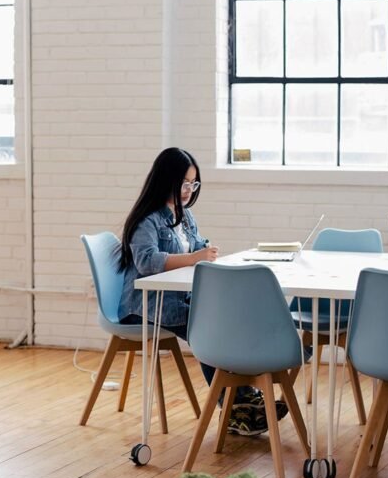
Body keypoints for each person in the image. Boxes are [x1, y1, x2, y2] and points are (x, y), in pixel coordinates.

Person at [117, 147, 286, 436]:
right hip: (145, 306)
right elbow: (146, 261)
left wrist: (204, 251)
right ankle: (235, 407)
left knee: (225, 318)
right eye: (183, 183)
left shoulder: (185, 216)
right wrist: (194, 258)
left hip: (177, 299)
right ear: (165, 180)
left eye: (193, 184)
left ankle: (244, 400)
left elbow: (195, 247)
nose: (188, 190)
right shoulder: (147, 219)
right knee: (209, 328)